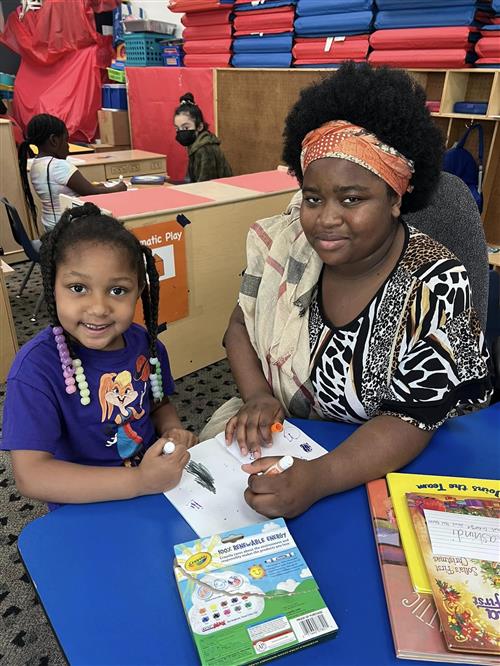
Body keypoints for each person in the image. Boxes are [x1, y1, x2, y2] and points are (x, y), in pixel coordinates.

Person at [203, 62, 492, 518]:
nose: (325, 218)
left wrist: (319, 477)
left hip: (372, 467)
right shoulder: (290, 243)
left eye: (352, 199)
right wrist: (258, 393)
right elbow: (241, 322)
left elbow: (412, 418)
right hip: (284, 438)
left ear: (397, 198)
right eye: (314, 198)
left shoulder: (436, 284)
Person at [1, 203, 196, 508]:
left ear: (139, 290)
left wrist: (172, 428)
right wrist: (138, 482)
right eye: (78, 287)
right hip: (84, 503)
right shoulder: (35, 370)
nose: (99, 308)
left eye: (117, 291)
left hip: (152, 486)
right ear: (52, 287)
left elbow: (160, 404)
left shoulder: (148, 345)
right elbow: (31, 475)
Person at [18, 114, 127, 232]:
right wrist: (119, 187)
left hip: (50, 226)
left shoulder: (36, 165)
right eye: (66, 140)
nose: (68, 146)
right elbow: (90, 192)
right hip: (67, 230)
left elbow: (82, 187)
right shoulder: (58, 166)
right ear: (54, 140)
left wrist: (101, 186)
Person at [174, 92, 232, 183]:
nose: (181, 132)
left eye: (186, 127)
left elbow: (205, 186)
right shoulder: (195, 145)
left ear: (199, 127)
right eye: (177, 128)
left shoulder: (204, 149)